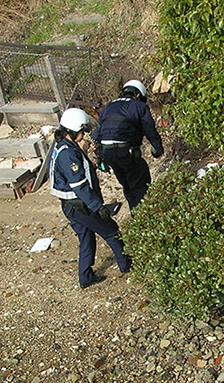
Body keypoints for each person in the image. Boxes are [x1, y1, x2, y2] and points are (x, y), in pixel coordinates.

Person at [50, 108, 131, 288]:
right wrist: (97, 206)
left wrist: (93, 165)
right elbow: (79, 186)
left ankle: (85, 277)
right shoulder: (68, 154)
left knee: (86, 238)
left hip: (70, 206)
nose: (83, 134)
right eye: (81, 131)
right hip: (81, 205)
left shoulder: (63, 146)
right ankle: (126, 265)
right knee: (111, 230)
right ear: (71, 131)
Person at [91, 79, 164, 211]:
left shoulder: (108, 107)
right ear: (137, 95)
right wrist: (158, 148)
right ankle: (145, 218)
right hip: (125, 152)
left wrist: (100, 156)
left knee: (127, 184)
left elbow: (97, 134)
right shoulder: (139, 106)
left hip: (108, 153)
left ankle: (135, 215)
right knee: (141, 182)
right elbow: (149, 129)